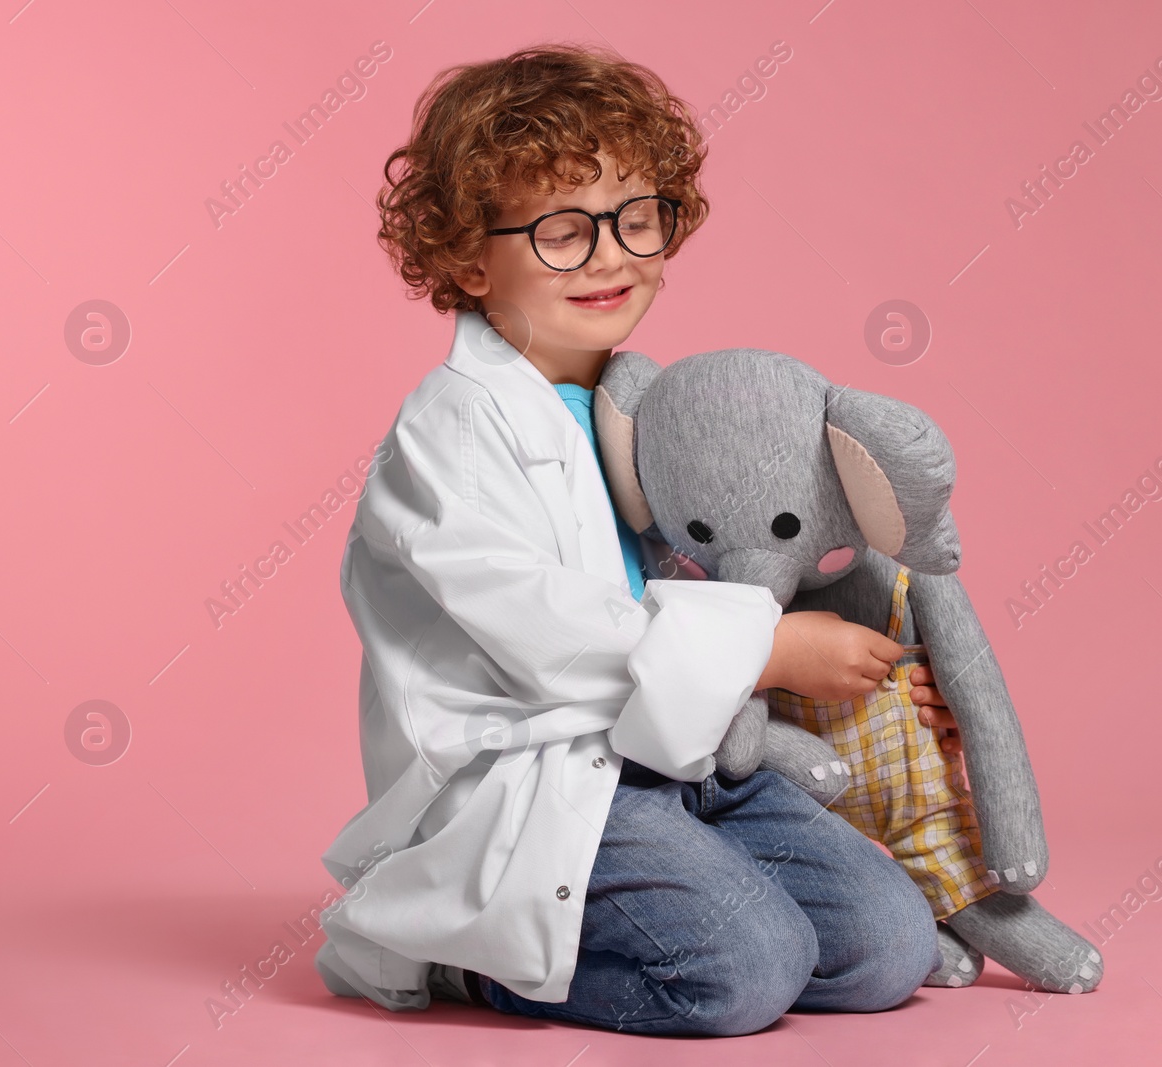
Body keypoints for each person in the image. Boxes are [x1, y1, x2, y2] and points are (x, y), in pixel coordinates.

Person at [313, 43, 968, 1037]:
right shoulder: (449, 431)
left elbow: (729, 564)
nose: (611, 255)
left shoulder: (644, 409)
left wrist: (875, 670)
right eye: (564, 231)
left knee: (889, 943)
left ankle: (696, 898)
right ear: (464, 255)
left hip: (687, 763)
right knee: (744, 973)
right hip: (546, 779)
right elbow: (547, 633)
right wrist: (767, 650)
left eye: (635, 218)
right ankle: (464, 955)